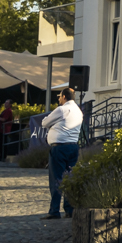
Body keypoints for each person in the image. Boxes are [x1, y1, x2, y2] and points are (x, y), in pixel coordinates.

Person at [42, 88, 83, 220]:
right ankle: (69, 209)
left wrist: (53, 126)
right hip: (73, 147)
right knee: (70, 179)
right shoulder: (78, 111)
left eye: (59, 97)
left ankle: (54, 211)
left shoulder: (61, 109)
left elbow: (44, 123)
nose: (59, 99)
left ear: (64, 97)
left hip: (59, 147)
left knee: (56, 179)